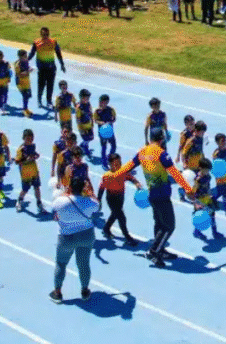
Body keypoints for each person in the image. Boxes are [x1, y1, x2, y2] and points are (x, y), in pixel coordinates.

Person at [115, 129, 194, 268]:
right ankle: (153, 252)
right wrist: (188, 188)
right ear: (162, 139)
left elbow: (129, 166)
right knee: (169, 226)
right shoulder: (161, 153)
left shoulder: (142, 152)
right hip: (162, 194)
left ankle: (160, 250)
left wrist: (116, 174)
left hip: (152, 194)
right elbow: (175, 173)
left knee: (159, 223)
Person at [49, 175, 98, 303]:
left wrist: (65, 192)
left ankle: (58, 292)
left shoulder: (60, 201)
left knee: (61, 263)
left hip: (67, 237)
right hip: (86, 235)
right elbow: (97, 205)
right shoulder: (89, 202)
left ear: (70, 187)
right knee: (84, 264)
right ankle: (85, 291)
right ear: (83, 188)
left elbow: (53, 210)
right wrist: (90, 193)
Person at [28, 27, 66, 108]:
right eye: (43, 34)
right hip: (42, 68)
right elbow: (32, 53)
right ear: (41, 34)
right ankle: (39, 100)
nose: (45, 36)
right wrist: (25, 61)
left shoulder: (53, 42)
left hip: (51, 67)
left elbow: (58, 53)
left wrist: (62, 64)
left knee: (50, 85)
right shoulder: (36, 43)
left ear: (49, 34)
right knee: (41, 85)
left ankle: (49, 101)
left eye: (46, 34)